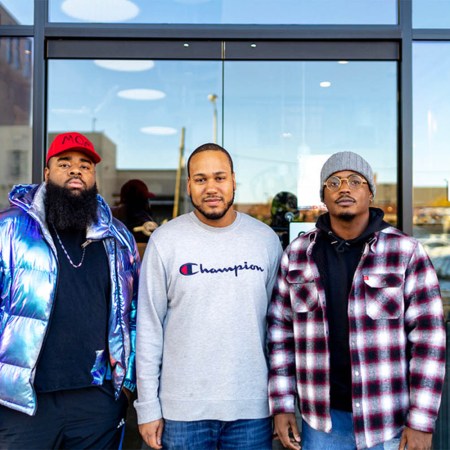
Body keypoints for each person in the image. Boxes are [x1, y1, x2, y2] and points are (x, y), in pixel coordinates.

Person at [268, 151, 446, 450]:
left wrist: (421, 421)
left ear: (370, 192)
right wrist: (283, 404)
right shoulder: (298, 254)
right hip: (321, 422)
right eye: (334, 181)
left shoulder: (405, 252)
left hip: (387, 421)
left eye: (355, 180)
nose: (344, 188)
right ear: (323, 195)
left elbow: (429, 341)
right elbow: (280, 335)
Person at [135, 142, 283, 450]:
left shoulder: (265, 240)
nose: (211, 187)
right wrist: (147, 406)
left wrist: (280, 404)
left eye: (219, 177)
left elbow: (278, 329)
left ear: (233, 181)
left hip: (251, 411)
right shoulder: (165, 241)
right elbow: (149, 328)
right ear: (189, 185)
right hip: (182, 413)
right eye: (201, 179)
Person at [0, 132, 139, 449]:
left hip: (96, 402)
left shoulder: (117, 238)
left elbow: (134, 314)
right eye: (65, 163)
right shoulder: (8, 230)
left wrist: (126, 385)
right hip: (24, 405)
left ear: (94, 177)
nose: (76, 170)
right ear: (47, 174)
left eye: (85, 165)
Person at [113, 179, 158, 243]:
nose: (148, 203)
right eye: (146, 199)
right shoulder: (142, 219)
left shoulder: (111, 214)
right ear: (143, 201)